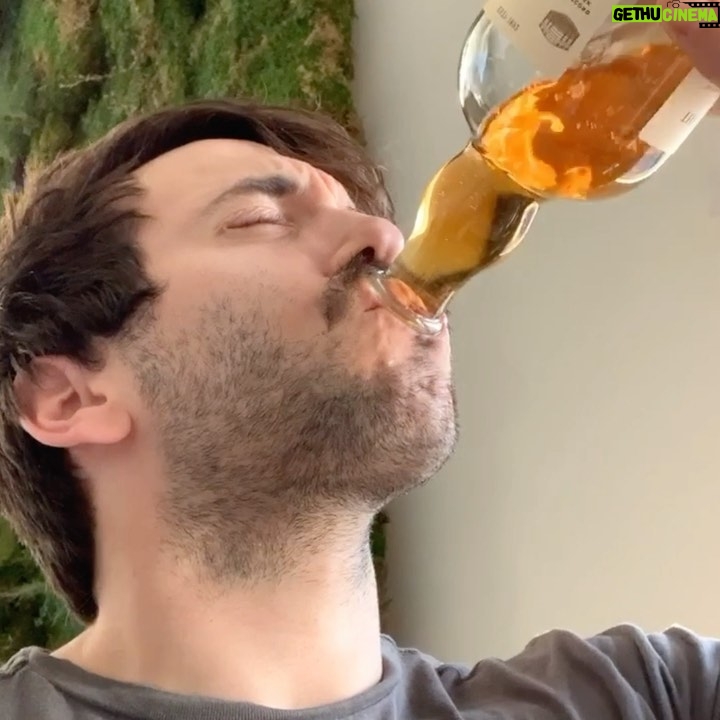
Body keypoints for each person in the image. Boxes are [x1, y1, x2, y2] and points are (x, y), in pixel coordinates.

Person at [0, 20, 718, 720]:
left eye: (360, 211)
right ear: (69, 395)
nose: (384, 236)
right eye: (258, 218)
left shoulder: (649, 694)